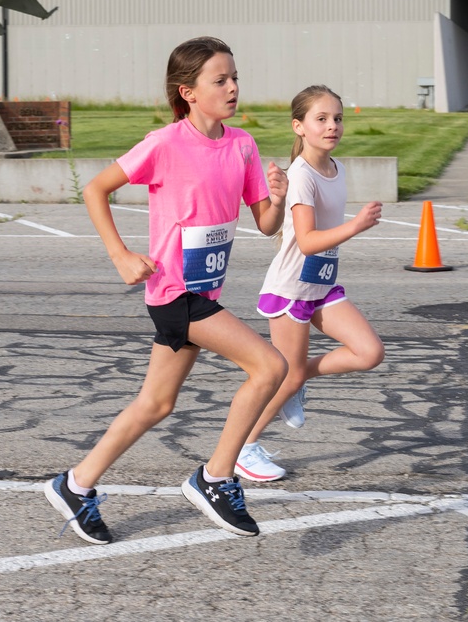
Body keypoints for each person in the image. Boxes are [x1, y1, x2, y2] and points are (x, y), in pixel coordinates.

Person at [44, 36, 288, 543]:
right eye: (219, 80)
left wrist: (279, 198)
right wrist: (120, 254)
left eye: (234, 77)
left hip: (205, 291)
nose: (232, 87)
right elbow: (95, 188)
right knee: (270, 366)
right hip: (175, 291)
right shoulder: (165, 144)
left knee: (156, 404)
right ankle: (215, 478)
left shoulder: (242, 145)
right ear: (189, 91)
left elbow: (265, 224)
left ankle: (75, 484)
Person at [235, 84, 385, 482]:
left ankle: (298, 379)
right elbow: (307, 240)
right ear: (299, 127)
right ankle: (243, 449)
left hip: (322, 284)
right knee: (289, 373)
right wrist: (356, 226)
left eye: (337, 118)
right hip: (291, 291)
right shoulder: (301, 176)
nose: (332, 125)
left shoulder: (336, 169)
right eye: (321, 119)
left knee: (369, 352)